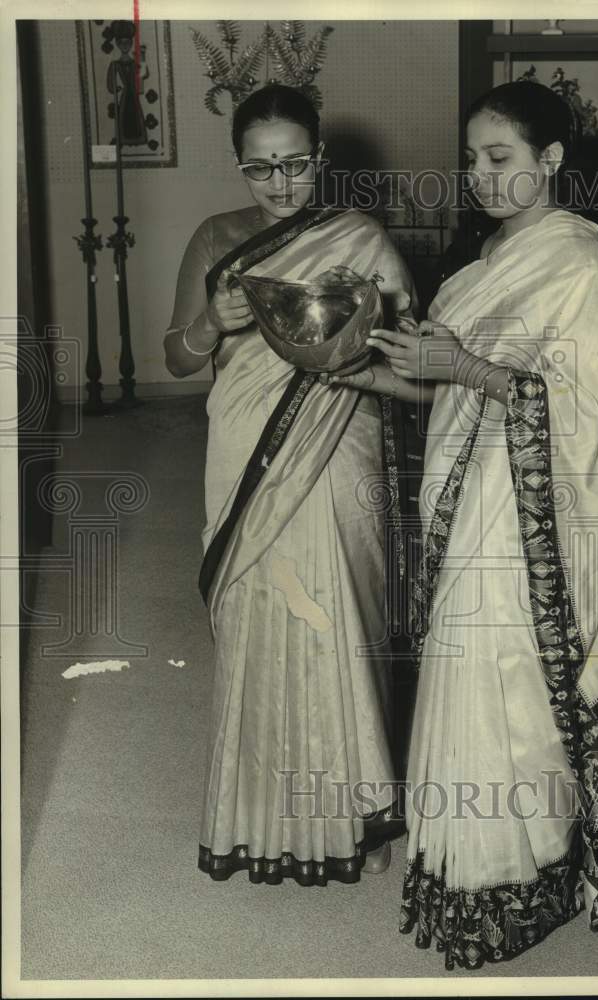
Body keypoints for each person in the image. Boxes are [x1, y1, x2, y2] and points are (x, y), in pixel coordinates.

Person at [333, 80, 598, 968]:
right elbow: (444, 388)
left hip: (536, 510)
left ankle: (520, 872)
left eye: (500, 159)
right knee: (466, 676)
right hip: (472, 498)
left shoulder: (581, 265)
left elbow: (595, 415)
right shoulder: (482, 263)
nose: (481, 176)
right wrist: (372, 376)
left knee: (510, 681)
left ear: (550, 162)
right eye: (471, 160)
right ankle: (468, 868)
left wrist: (461, 363)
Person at [163, 84, 422, 886]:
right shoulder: (217, 238)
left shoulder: (360, 238)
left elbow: (413, 364)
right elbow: (176, 355)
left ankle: (349, 813)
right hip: (245, 452)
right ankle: (256, 816)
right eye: (259, 167)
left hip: (336, 445)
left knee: (337, 612)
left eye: (294, 164)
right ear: (239, 165)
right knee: (258, 616)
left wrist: (350, 346)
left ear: (321, 158)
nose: (278, 183)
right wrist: (215, 320)